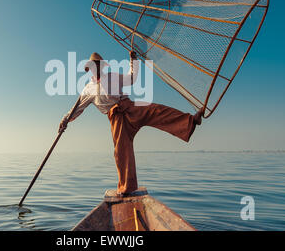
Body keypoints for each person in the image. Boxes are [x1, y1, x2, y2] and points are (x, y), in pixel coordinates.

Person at [59, 52, 203, 195]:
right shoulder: (87, 89)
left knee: (156, 110)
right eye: (93, 65)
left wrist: (133, 61)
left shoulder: (112, 76)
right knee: (121, 151)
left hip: (130, 106)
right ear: (89, 68)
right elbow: (77, 109)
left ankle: (191, 121)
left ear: (102, 66)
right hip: (116, 118)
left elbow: (131, 79)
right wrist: (65, 120)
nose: (96, 67)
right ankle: (126, 188)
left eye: (98, 64)